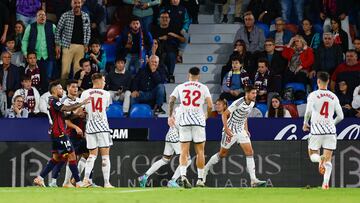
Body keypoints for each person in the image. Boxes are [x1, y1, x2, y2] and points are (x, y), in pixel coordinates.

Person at [203, 85, 266, 187]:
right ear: (247, 93)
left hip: (240, 130)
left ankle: (253, 180)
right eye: (253, 93)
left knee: (250, 152)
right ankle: (205, 169)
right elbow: (224, 114)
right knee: (222, 154)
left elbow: (244, 116)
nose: (255, 95)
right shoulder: (238, 102)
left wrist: (246, 129)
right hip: (230, 130)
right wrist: (227, 129)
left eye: (255, 93)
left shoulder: (253, 103)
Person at [33, 80, 91, 187]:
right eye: (60, 88)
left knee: (57, 158)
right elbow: (66, 108)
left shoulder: (55, 102)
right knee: (72, 156)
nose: (62, 90)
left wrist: (76, 115)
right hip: (59, 133)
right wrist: (82, 103)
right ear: (54, 90)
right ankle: (78, 183)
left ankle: (39, 178)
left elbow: (65, 117)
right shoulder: (53, 101)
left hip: (56, 133)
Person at [168, 66, 213, 188]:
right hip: (198, 121)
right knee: (200, 151)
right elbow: (210, 105)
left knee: (184, 151)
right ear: (198, 76)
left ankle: (183, 176)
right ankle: (200, 180)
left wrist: (170, 116)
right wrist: (207, 116)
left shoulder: (181, 86)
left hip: (184, 121)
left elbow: (171, 100)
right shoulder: (203, 88)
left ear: (189, 75)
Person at [303, 71, 344, 190]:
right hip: (330, 132)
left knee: (313, 156)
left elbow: (309, 112)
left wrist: (305, 123)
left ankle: (319, 158)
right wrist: (332, 123)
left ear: (318, 81)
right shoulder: (333, 96)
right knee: (328, 160)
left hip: (316, 131)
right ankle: (325, 184)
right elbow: (341, 116)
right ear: (328, 82)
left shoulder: (313, 95)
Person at [138, 107, 191, 188]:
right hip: (176, 136)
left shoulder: (178, 108)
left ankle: (144, 176)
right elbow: (179, 125)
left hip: (170, 134)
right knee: (187, 159)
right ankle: (173, 180)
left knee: (165, 160)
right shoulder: (185, 110)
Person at [80, 73, 114, 188]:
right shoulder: (106, 94)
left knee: (92, 155)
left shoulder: (84, 93)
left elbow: (82, 110)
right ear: (98, 81)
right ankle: (106, 183)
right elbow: (106, 108)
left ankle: (85, 180)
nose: (104, 83)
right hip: (102, 126)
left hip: (90, 126)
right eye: (103, 81)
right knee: (105, 155)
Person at [22, 9, 57, 92]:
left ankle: (45, 95)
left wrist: (58, 47)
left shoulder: (52, 26)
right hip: (34, 58)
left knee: (47, 77)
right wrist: (25, 52)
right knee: (34, 78)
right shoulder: (30, 26)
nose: (42, 17)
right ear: (36, 17)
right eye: (40, 15)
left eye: (44, 15)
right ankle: (34, 94)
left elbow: (57, 39)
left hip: (48, 56)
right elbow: (25, 40)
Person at [55, 0, 91, 81]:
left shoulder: (86, 16)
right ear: (71, 4)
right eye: (75, 3)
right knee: (65, 72)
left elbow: (88, 31)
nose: (77, 5)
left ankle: (76, 91)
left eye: (78, 3)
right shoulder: (65, 15)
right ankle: (63, 91)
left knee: (78, 72)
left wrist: (86, 44)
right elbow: (58, 30)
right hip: (67, 46)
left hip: (81, 47)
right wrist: (57, 44)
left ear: (81, 4)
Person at [152, 11, 185, 82]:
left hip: (171, 51)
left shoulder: (174, 28)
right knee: (159, 57)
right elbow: (151, 41)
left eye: (166, 17)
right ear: (159, 19)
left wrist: (174, 35)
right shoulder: (154, 29)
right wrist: (161, 38)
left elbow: (183, 40)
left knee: (170, 55)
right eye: (162, 17)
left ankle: (170, 75)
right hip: (158, 51)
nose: (165, 19)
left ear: (169, 19)